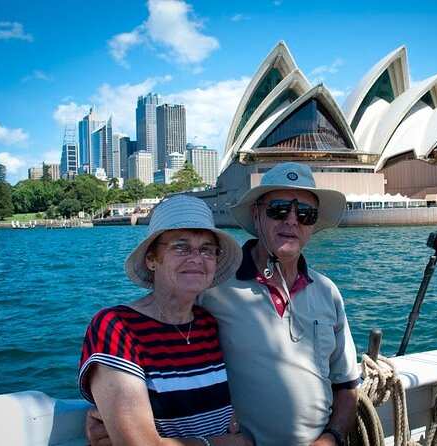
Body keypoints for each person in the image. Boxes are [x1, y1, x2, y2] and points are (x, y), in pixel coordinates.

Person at [87, 162, 360, 446]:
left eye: (305, 213)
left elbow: (346, 384)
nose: (292, 220)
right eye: (279, 209)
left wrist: (332, 438)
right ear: (256, 214)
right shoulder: (209, 288)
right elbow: (162, 326)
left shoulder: (328, 292)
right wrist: (113, 412)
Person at [79, 194, 252, 446]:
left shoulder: (207, 324)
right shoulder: (116, 326)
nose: (196, 258)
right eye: (180, 246)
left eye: (207, 249)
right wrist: (225, 444)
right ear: (151, 259)